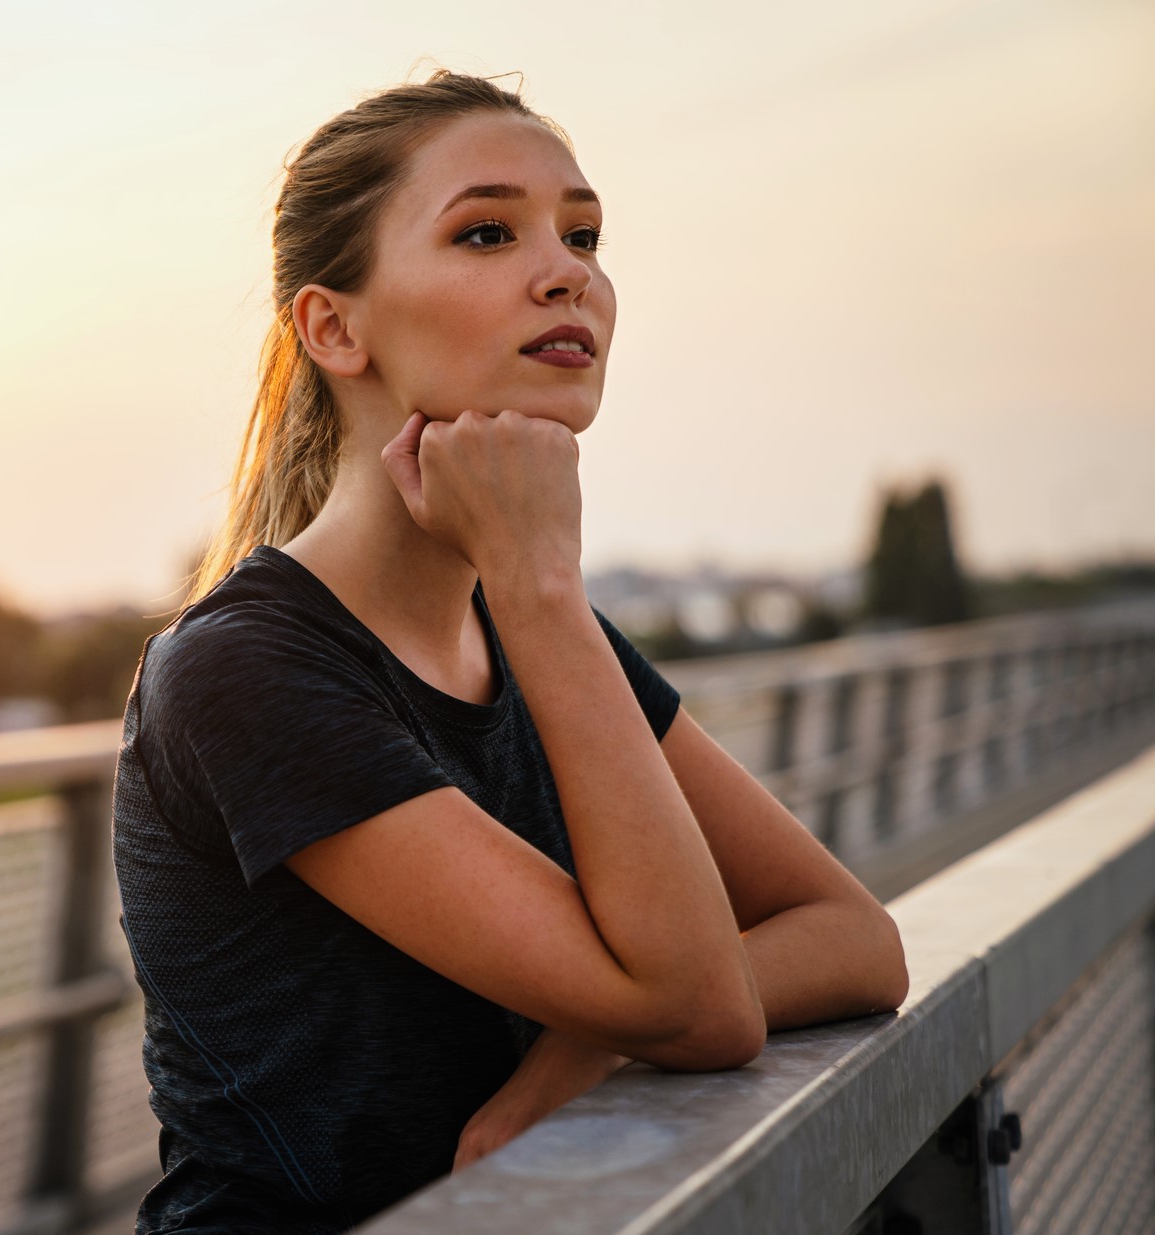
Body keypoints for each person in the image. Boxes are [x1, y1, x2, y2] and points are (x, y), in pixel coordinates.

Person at [109, 69, 910, 1234]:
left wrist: (575, 1049)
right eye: (487, 231)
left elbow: (856, 940)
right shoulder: (244, 670)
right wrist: (539, 584)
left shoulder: (543, 635)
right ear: (333, 326)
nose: (565, 269)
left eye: (581, 233)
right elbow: (699, 1005)